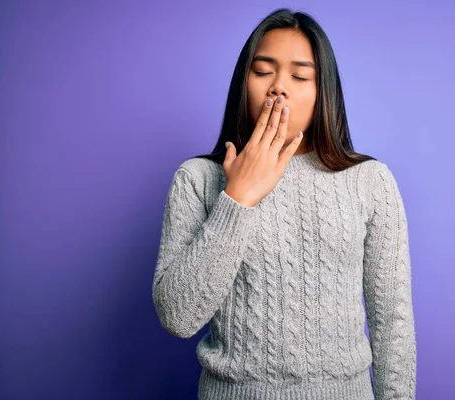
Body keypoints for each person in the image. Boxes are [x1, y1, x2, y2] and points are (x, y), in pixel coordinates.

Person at [151, 7, 416, 400]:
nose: (279, 87)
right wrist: (238, 197)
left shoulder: (369, 180)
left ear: (323, 89)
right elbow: (178, 317)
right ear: (244, 84)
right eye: (263, 72)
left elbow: (392, 321)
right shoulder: (198, 178)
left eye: (300, 75)